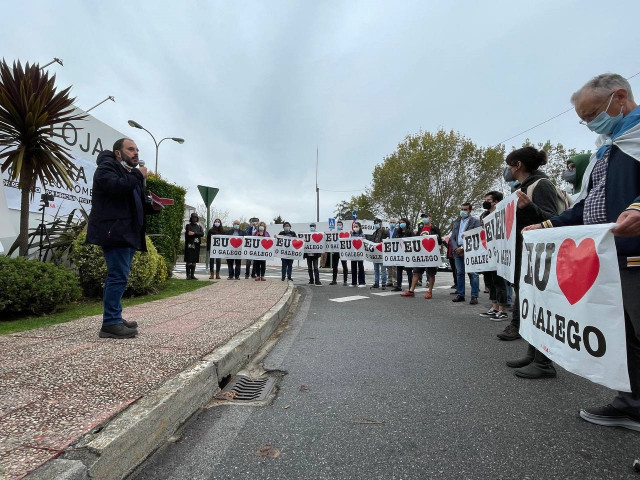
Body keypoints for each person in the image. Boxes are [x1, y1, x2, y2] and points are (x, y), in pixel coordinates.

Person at [525, 73, 640, 427]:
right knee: (626, 338)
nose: (589, 124)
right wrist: (547, 226)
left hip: (635, 256)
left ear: (619, 98)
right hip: (609, 258)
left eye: (592, 115)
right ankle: (632, 403)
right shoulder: (608, 148)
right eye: (584, 119)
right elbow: (586, 205)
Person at [496, 146, 565, 381]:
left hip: (539, 258)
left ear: (518, 165)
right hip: (524, 256)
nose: (508, 170)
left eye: (509, 165)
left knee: (540, 305)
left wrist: (530, 207)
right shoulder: (523, 188)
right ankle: (532, 353)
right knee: (529, 304)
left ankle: (544, 362)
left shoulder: (541, 185)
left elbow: (553, 219)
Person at [86, 138, 161, 339]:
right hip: (115, 231)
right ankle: (110, 323)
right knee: (117, 276)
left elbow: (130, 200)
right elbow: (115, 188)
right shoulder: (107, 168)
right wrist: (137, 174)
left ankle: (115, 317)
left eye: (137, 149)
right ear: (118, 153)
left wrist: (151, 207)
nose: (136, 153)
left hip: (126, 232)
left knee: (121, 276)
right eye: (130, 149)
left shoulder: (127, 173)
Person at [478, 192, 509, 321]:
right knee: (489, 282)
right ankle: (494, 307)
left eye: (488, 200)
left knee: (499, 282)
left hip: (498, 252)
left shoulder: (502, 212)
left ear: (496, 202)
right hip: (487, 253)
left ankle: (503, 310)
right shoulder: (484, 215)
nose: (486, 202)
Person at [449, 203, 481, 304]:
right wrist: (456, 248)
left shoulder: (475, 221)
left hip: (470, 250)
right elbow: (452, 237)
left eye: (465, 209)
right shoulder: (457, 222)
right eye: (462, 209)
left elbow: (476, 236)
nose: (463, 211)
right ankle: (460, 294)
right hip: (457, 251)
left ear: (470, 211)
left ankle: (474, 296)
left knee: (473, 274)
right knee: (460, 273)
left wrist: (463, 248)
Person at [400, 227, 442, 299]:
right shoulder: (420, 228)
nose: (424, 219)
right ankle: (411, 291)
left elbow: (440, 241)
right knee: (416, 273)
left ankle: (429, 291)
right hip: (420, 256)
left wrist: (436, 237)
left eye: (426, 217)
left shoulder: (435, 229)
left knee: (431, 274)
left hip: (430, 256)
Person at [392, 218, 413, 292]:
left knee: (409, 271)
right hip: (399, 254)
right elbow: (394, 240)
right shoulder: (397, 231)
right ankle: (398, 286)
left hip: (407, 254)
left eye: (403, 222)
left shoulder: (410, 232)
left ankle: (411, 286)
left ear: (407, 223)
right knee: (399, 270)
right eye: (400, 222)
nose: (401, 224)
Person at [184, 213, 204, 280]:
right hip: (190, 244)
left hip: (196, 244)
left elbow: (202, 233)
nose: (194, 219)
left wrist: (194, 233)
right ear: (191, 218)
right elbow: (189, 233)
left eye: (195, 217)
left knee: (194, 260)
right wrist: (196, 233)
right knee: (189, 260)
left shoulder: (199, 226)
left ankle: (192, 275)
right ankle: (188, 275)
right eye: (193, 217)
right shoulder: (188, 225)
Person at [369, 218, 388, 289]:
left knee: (383, 270)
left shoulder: (385, 232)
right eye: (375, 223)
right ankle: (376, 283)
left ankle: (383, 284)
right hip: (375, 253)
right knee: (376, 269)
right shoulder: (374, 233)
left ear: (381, 223)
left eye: (377, 223)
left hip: (382, 253)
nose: (376, 224)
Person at [330, 220, 349, 285]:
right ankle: (334, 280)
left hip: (342, 252)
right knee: (334, 266)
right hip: (335, 251)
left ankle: (345, 281)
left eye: (340, 225)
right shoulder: (334, 233)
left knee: (344, 266)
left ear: (342, 226)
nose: (338, 226)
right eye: (338, 225)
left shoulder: (345, 233)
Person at [350, 221, 366, 287]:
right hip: (353, 253)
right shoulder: (352, 234)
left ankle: (362, 282)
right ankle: (354, 282)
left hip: (360, 253)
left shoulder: (362, 235)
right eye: (354, 227)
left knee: (360, 267)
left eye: (356, 226)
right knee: (353, 267)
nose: (355, 228)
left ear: (359, 227)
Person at [386, 218, 398, 288]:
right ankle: (389, 281)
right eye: (391, 222)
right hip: (388, 251)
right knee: (389, 267)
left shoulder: (398, 231)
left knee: (394, 267)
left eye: (393, 222)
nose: (392, 223)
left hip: (395, 251)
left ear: (395, 223)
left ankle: (395, 281)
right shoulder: (387, 231)